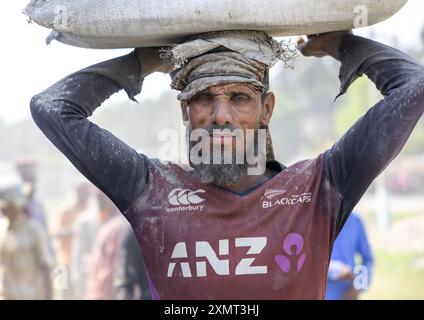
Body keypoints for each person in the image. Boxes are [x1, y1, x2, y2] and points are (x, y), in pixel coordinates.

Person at [30, 29, 424, 299]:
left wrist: (344, 44)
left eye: (239, 97)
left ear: (266, 109)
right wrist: (142, 62)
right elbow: (52, 109)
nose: (221, 115)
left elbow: (413, 87)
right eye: (204, 98)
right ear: (185, 111)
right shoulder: (151, 190)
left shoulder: (318, 188)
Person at [0, 162, 54, 300]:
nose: (4, 210)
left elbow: (46, 268)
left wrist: (49, 296)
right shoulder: (3, 230)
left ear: (17, 205)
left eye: (8, 206)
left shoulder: (34, 230)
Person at [86, 214, 151, 300]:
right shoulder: (128, 227)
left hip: (103, 289)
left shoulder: (109, 228)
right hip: (108, 289)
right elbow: (124, 280)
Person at [70, 191, 116, 299]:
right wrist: (79, 281)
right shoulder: (85, 221)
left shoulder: (117, 219)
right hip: (93, 277)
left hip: (113, 277)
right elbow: (78, 254)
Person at [326, 212, 374, 300]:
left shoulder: (355, 220)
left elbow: (368, 259)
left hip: (347, 295)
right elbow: (305, 261)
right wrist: (336, 270)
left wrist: (359, 286)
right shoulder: (314, 219)